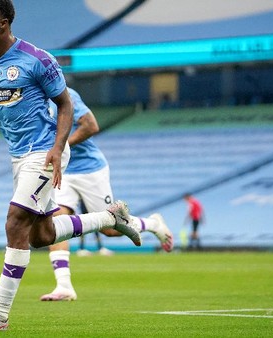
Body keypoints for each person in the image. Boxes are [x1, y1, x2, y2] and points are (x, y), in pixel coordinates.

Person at [0, 0, 142, 331]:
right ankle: (111, 218)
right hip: (18, 156)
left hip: (43, 151)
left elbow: (65, 104)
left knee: (15, 222)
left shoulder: (37, 60)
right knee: (42, 234)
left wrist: (58, 148)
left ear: (4, 24)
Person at [40, 87, 174, 301]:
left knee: (111, 230)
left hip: (90, 169)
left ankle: (153, 224)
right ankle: (64, 286)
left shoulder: (66, 94)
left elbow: (91, 126)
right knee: (55, 223)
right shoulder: (31, 98)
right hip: (63, 170)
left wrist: (60, 146)